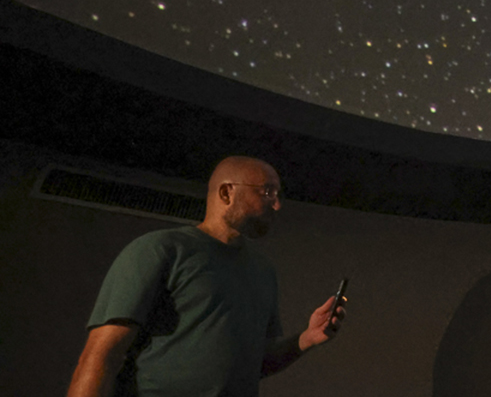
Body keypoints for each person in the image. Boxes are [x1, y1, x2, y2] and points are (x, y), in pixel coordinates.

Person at [67, 157, 346, 397]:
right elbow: (102, 355)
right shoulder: (160, 250)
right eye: (267, 192)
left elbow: (255, 364)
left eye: (278, 195)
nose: (277, 205)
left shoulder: (263, 270)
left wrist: (307, 339)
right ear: (227, 193)